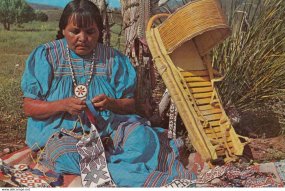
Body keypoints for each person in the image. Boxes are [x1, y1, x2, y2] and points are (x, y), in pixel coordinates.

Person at [21, 0, 196, 187]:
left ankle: (111, 169)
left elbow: (130, 104)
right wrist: (62, 105)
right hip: (62, 134)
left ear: (99, 32)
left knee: (142, 137)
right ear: (63, 30)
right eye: (75, 31)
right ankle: (140, 178)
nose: (83, 38)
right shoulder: (46, 56)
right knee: (66, 155)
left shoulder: (113, 59)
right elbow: (29, 107)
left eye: (90, 32)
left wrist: (111, 103)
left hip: (108, 130)